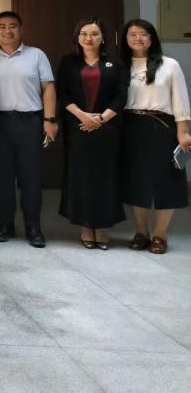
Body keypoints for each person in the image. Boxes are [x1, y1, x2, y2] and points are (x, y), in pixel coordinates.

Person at [0, 11, 57, 247]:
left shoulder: (36, 55)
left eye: (12, 26)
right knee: (3, 177)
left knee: (30, 177)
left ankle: (33, 226)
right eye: (2, 26)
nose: (7, 30)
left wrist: (49, 119)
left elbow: (48, 88)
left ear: (21, 29)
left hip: (30, 121)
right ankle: (5, 224)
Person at [120, 19, 191, 255]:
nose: (138, 39)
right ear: (125, 39)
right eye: (132, 34)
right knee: (135, 181)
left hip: (162, 126)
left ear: (152, 38)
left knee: (166, 181)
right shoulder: (121, 66)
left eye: (143, 34)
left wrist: (183, 131)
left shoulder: (169, 65)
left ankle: (160, 235)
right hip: (130, 127)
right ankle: (141, 232)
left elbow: (180, 100)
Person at [57, 18, 128, 249]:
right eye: (84, 34)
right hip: (78, 129)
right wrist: (83, 116)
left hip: (107, 130)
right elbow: (62, 94)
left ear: (103, 37)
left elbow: (122, 95)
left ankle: (103, 227)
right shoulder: (68, 63)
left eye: (95, 34)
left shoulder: (115, 63)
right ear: (77, 37)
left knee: (106, 178)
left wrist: (101, 119)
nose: (89, 38)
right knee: (82, 178)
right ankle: (86, 226)